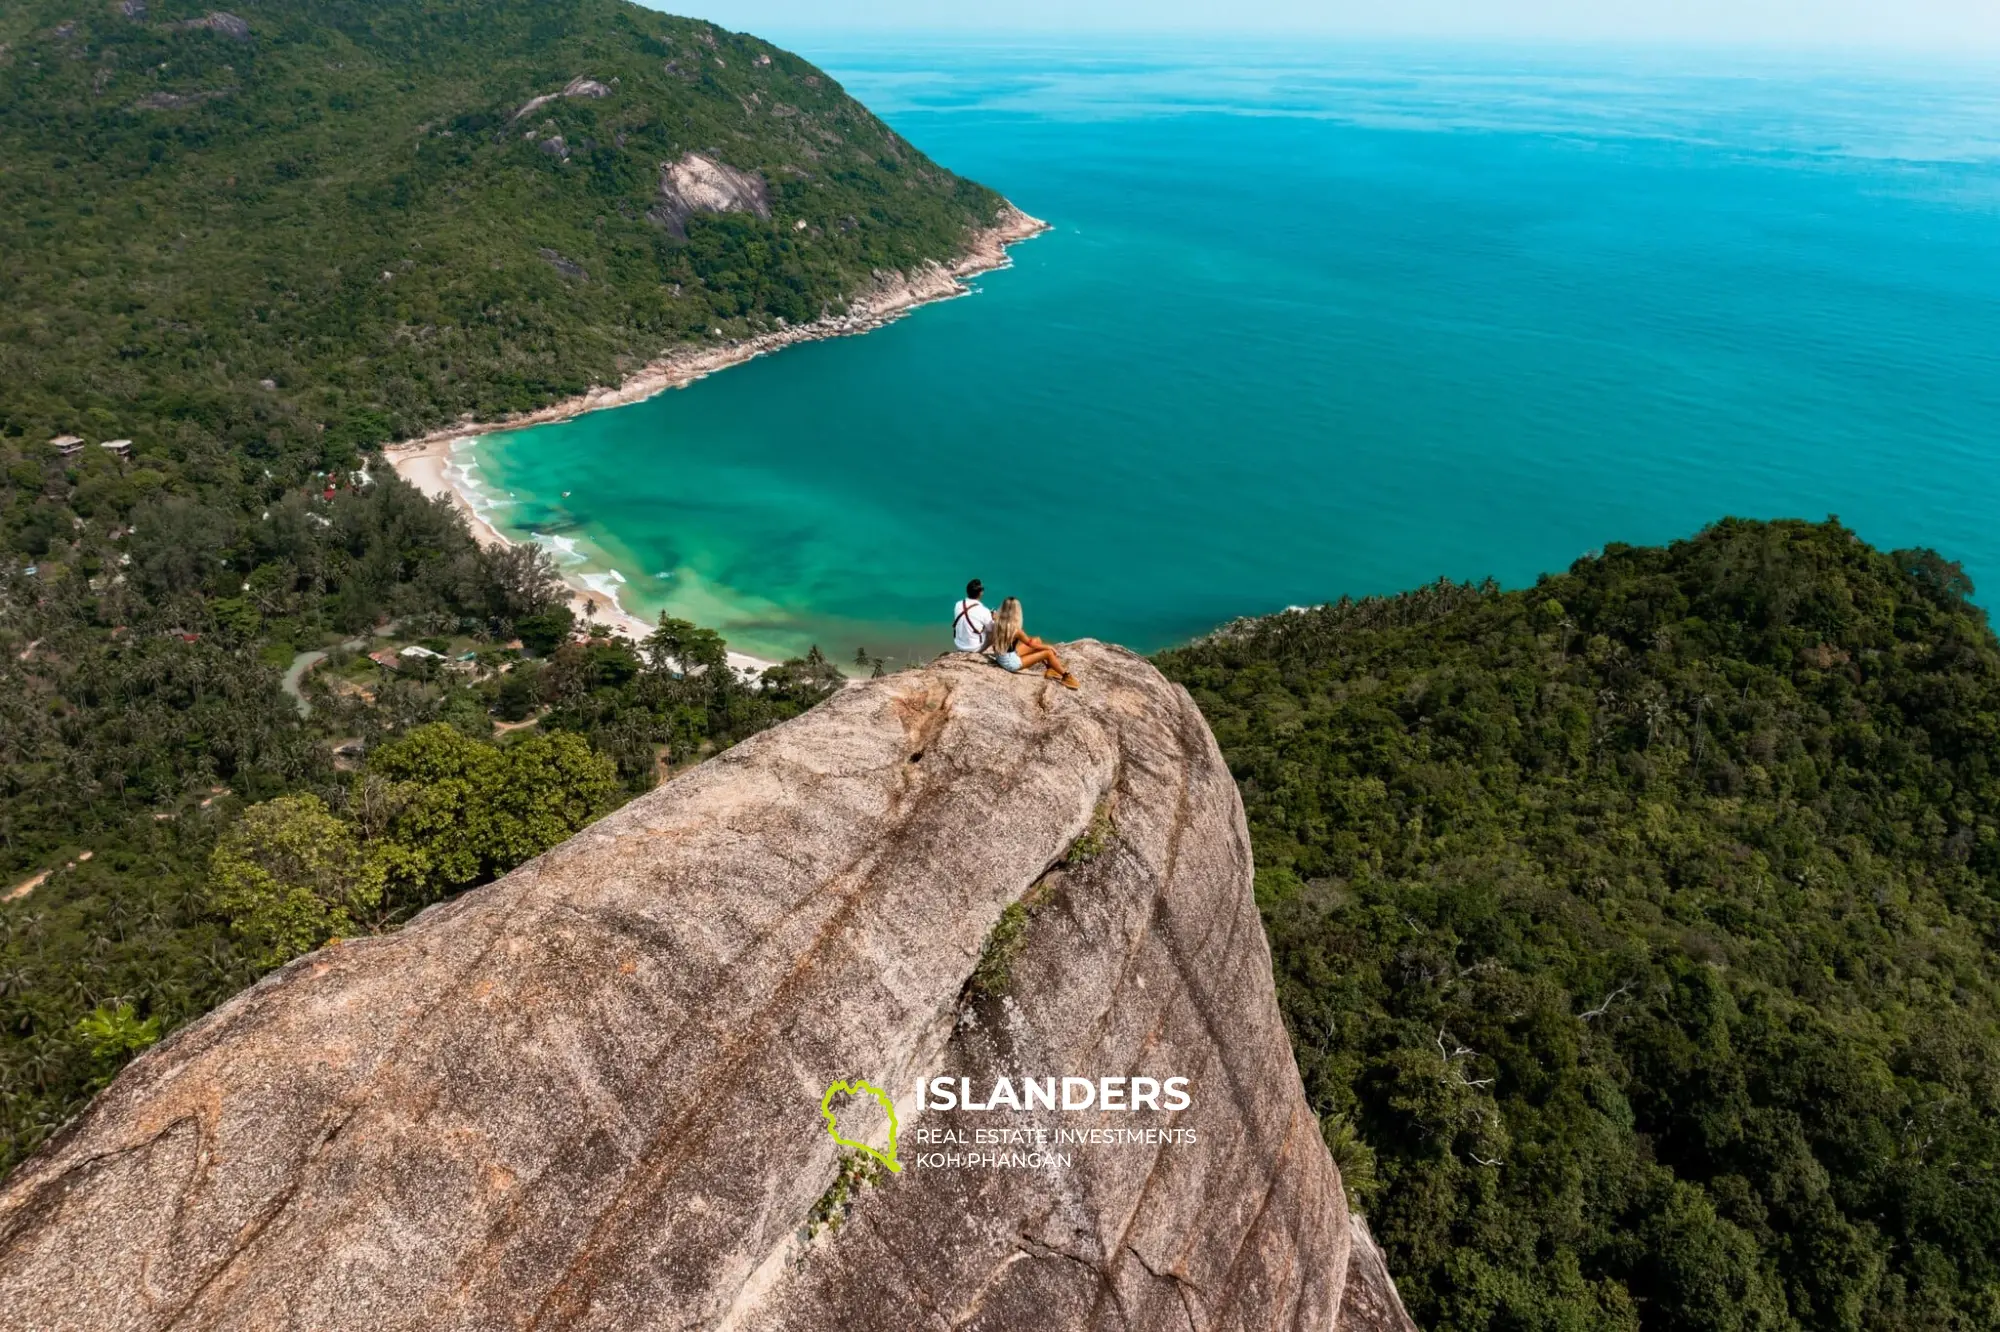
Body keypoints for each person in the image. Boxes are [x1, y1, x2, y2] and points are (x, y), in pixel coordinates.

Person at [985, 596, 1078, 689]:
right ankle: (1066, 676)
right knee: (1048, 653)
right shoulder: (1016, 630)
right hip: (1011, 663)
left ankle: (1050, 669)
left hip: (1002, 656)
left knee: (1037, 639)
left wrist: (993, 614)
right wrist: (1049, 647)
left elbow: (1032, 643)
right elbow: (1030, 644)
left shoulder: (997, 621)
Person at [952, 578, 993, 653]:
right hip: (975, 647)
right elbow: (991, 629)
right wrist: (993, 618)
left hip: (959, 645)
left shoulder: (957, 604)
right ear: (981, 593)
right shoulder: (984, 610)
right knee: (994, 629)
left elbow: (971, 615)